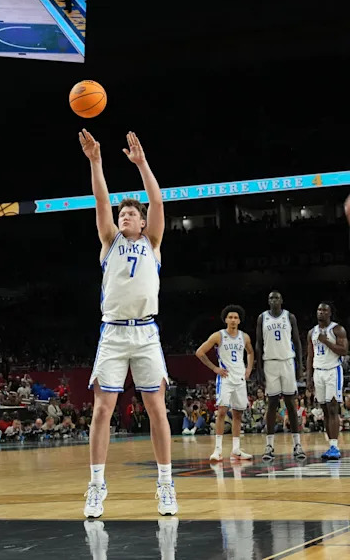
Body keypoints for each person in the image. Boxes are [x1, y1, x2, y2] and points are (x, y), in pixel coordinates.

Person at [78, 130, 176, 518]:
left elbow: (156, 199)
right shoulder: (110, 241)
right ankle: (96, 486)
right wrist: (95, 161)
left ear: (143, 220)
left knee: (157, 408)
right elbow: (101, 200)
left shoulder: (153, 241)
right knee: (102, 410)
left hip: (147, 333)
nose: (125, 216)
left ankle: (166, 485)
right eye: (123, 214)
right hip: (114, 332)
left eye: (131, 213)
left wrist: (141, 164)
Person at [195, 305, 254, 462]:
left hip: (240, 379)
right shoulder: (218, 336)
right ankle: (218, 450)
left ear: (239, 320)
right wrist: (215, 368)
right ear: (226, 319)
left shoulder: (244, 337)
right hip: (226, 378)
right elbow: (199, 352)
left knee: (238, 414)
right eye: (230, 317)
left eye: (236, 317)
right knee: (221, 412)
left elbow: (250, 352)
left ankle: (236, 450)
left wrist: (249, 368)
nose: (233, 320)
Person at [254, 291, 305, 460]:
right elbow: (258, 344)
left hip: (287, 362)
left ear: (281, 300)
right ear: (268, 301)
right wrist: (259, 370)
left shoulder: (289, 317)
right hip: (270, 363)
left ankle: (297, 444)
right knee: (272, 404)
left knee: (291, 403)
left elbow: (297, 342)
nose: (274, 300)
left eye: (276, 297)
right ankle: (269, 446)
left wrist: (300, 366)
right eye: (270, 298)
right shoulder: (262, 318)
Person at [307, 302, 348, 460]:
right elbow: (310, 355)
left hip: (333, 371)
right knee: (324, 410)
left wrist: (327, 342)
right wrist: (309, 377)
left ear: (330, 313)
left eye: (324, 310)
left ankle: (335, 446)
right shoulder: (312, 332)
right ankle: (330, 445)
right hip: (318, 372)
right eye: (319, 310)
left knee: (332, 409)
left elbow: (344, 350)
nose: (321, 312)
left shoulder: (337, 329)